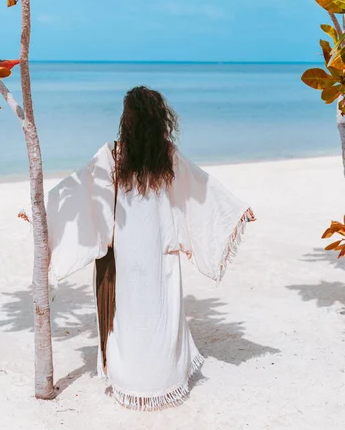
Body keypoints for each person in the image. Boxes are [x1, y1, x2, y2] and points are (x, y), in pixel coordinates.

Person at [45, 86, 255, 411]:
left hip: (126, 258)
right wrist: (237, 210)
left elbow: (77, 191)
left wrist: (40, 213)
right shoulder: (167, 158)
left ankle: (130, 383)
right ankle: (164, 381)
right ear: (160, 120)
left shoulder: (113, 156)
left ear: (126, 120)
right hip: (159, 256)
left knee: (128, 317)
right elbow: (202, 188)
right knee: (161, 313)